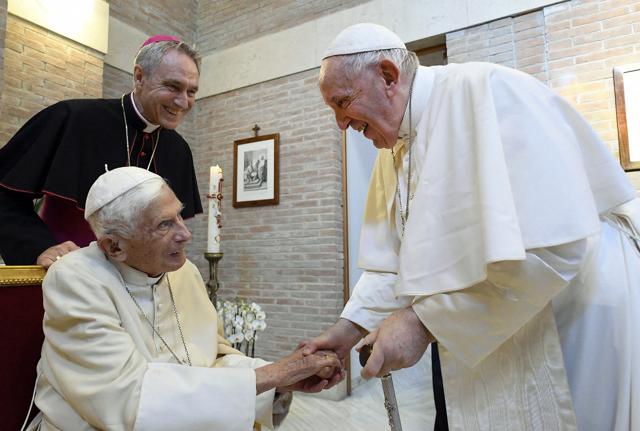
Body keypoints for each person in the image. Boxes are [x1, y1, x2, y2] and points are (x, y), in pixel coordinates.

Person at [304, 23, 640, 430]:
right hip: (487, 333)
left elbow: (557, 248)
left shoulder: (488, 92)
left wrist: (423, 323)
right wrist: (348, 328)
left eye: (343, 102)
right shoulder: (392, 149)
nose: (341, 123)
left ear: (388, 76)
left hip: (572, 316)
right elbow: (388, 265)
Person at [27, 166, 341, 430]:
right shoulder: (75, 278)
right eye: (165, 224)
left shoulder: (184, 271)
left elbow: (214, 358)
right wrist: (272, 375)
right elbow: (126, 398)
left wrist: (279, 381)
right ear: (115, 247)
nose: (185, 233)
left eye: (178, 216)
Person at [0, 35, 202, 268]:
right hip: (68, 278)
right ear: (139, 77)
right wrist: (39, 247)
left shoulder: (179, 150)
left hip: (140, 291)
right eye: (173, 86)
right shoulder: (73, 119)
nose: (183, 102)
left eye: (191, 92)